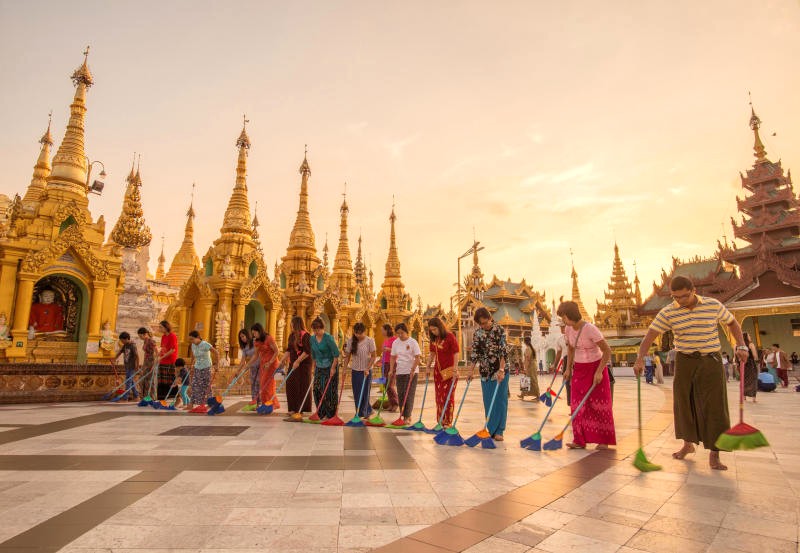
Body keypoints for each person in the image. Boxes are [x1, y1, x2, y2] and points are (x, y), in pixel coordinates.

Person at [634, 276, 748, 471]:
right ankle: (688, 444)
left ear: (693, 290)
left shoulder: (713, 305)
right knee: (683, 403)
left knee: (715, 406)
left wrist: (742, 345)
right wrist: (639, 359)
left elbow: (732, 323)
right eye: (676, 297)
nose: (681, 301)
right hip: (685, 360)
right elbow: (650, 335)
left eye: (684, 296)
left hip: (710, 359)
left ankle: (715, 453)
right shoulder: (668, 312)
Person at [557, 301, 616, 450]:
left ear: (570, 315)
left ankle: (603, 440)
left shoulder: (590, 329)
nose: (563, 321)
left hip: (596, 367)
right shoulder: (569, 330)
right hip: (580, 370)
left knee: (598, 405)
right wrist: (568, 369)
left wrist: (599, 371)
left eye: (563, 317)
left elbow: (607, 350)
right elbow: (570, 349)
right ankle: (579, 440)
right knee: (577, 405)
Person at [468, 307, 509, 441]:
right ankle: (490, 429)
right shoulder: (478, 333)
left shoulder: (499, 330)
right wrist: (470, 371)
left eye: (485, 322)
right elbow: (475, 353)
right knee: (488, 400)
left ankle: (500, 430)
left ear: (490, 318)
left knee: (500, 400)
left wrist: (502, 370)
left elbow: (503, 351)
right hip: (485, 372)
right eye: (481, 324)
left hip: (499, 370)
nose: (484, 326)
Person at [427, 317, 459, 426]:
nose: (433, 332)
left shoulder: (450, 337)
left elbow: (456, 353)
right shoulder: (434, 339)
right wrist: (427, 367)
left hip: (450, 371)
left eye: (435, 329)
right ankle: (440, 421)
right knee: (439, 397)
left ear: (440, 327)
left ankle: (448, 422)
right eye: (431, 330)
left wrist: (455, 368)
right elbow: (432, 354)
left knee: (448, 397)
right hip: (438, 372)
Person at [342, 322, 377, 418]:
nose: (358, 335)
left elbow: (374, 356)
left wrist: (368, 368)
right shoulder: (350, 341)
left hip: (366, 371)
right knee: (357, 392)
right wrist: (344, 369)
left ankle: (364, 412)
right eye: (356, 333)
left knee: (365, 392)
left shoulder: (370, 341)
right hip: (355, 370)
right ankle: (360, 411)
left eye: (360, 333)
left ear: (364, 332)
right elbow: (347, 356)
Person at [390, 322, 422, 425]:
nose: (400, 335)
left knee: (409, 394)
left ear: (406, 332)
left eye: (402, 333)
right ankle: (402, 415)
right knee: (401, 394)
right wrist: (391, 370)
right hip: (400, 371)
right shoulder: (395, 343)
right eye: (398, 333)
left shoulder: (413, 342)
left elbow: (417, 357)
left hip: (411, 372)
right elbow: (393, 357)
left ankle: (408, 416)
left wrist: (413, 369)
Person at [309, 318, 340, 420]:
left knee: (328, 390)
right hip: (319, 366)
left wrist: (333, 368)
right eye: (314, 330)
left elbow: (336, 354)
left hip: (330, 366)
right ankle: (320, 412)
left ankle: (330, 414)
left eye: (318, 329)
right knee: (317, 388)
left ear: (323, 328)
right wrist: (313, 367)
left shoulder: (328, 338)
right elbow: (313, 355)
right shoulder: (312, 339)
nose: (316, 332)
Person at [283, 317, 313, 417]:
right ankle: (292, 408)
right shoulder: (292, 335)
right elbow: (288, 349)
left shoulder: (306, 335)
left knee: (301, 385)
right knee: (290, 383)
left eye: (291, 323)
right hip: (294, 363)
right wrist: (281, 361)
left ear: (295, 324)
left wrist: (298, 361)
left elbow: (308, 351)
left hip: (304, 364)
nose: (290, 325)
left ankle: (301, 409)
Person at [187, 330, 218, 411]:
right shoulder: (193, 345)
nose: (191, 341)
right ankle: (191, 404)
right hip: (197, 367)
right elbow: (193, 355)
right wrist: (191, 365)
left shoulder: (205, 344)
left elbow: (216, 353)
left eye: (192, 339)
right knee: (194, 385)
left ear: (197, 338)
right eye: (190, 339)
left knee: (206, 386)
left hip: (206, 367)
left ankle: (210, 404)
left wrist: (216, 365)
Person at [255, 334, 281, 410]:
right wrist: (249, 364)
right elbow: (256, 355)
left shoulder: (269, 338)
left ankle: (270, 404)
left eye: (255, 333)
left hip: (271, 364)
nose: (254, 335)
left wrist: (270, 362)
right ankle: (266, 404)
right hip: (263, 364)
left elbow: (277, 351)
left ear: (259, 331)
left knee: (266, 384)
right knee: (263, 385)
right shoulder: (257, 341)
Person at [380, 324, 400, 412]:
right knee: (385, 385)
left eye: (382, 330)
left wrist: (388, 349)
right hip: (385, 363)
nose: (381, 332)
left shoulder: (395, 340)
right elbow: (384, 353)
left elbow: (398, 351)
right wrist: (380, 360)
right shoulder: (385, 340)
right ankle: (391, 403)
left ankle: (395, 403)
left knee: (390, 384)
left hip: (392, 363)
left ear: (387, 330)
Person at [114, 331, 139, 401]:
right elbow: (120, 352)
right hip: (127, 366)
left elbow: (137, 356)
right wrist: (114, 359)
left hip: (132, 366)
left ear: (127, 339)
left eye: (122, 340)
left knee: (128, 382)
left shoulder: (132, 345)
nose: (122, 342)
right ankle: (136, 396)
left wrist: (137, 366)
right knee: (131, 381)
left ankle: (125, 398)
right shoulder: (125, 345)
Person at [157, 321, 178, 400]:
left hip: (170, 361)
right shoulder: (163, 336)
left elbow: (173, 350)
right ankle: (162, 397)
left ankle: (172, 396)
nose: (159, 329)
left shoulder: (172, 336)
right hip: (163, 360)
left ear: (166, 327)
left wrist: (162, 357)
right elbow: (163, 348)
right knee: (161, 379)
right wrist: (158, 355)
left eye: (161, 327)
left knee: (170, 379)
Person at [238, 330, 258, 406]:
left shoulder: (254, 341)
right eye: (240, 337)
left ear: (247, 335)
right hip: (252, 367)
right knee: (253, 385)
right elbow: (242, 361)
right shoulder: (244, 348)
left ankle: (260, 402)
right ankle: (254, 402)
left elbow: (257, 354)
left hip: (260, 366)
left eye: (243, 336)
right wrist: (237, 371)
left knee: (258, 384)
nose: (242, 338)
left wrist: (248, 364)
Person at [137, 327, 158, 399]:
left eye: (141, 336)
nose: (140, 338)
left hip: (151, 361)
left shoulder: (151, 341)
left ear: (145, 334)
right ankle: (145, 397)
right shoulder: (145, 341)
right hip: (146, 362)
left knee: (150, 380)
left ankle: (152, 397)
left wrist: (154, 363)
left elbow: (156, 352)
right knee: (143, 379)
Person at [742, 332, 758, 402]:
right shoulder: (751, 344)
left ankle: (744, 396)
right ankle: (753, 398)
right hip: (751, 364)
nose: (750, 337)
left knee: (744, 380)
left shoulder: (736, 345)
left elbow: (735, 356)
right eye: (749, 335)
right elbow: (755, 356)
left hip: (742, 364)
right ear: (746, 337)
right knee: (753, 380)